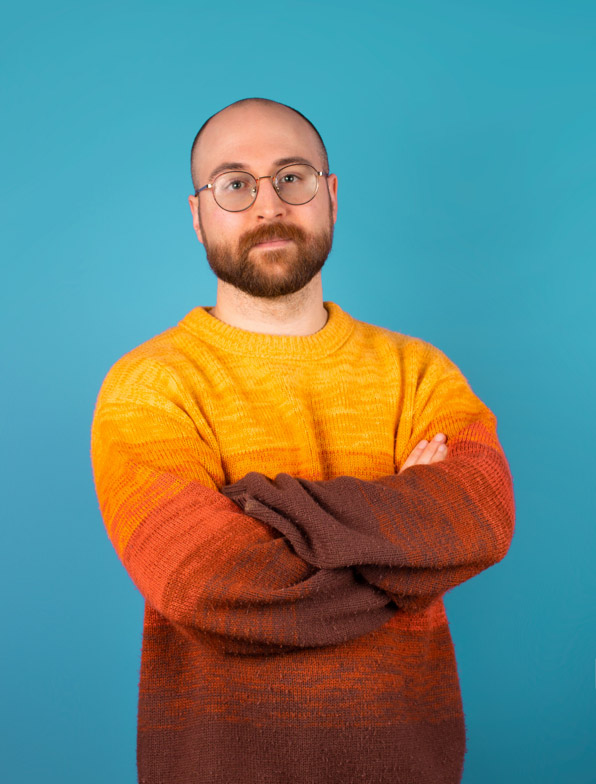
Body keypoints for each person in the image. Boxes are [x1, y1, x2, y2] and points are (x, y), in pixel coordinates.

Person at [90, 97, 515, 784]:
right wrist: (408, 541)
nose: (269, 205)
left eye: (293, 177)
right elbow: (205, 583)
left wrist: (259, 507)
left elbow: (482, 516)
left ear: (332, 196)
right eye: (234, 183)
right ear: (198, 216)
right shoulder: (147, 385)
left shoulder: (420, 372)